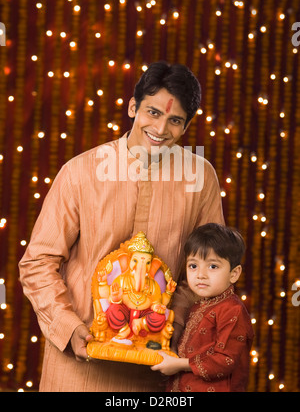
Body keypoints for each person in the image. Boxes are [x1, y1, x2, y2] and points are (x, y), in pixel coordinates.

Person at [19, 61, 224, 392]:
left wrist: (171, 324)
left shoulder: (200, 180)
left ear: (186, 126)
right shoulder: (81, 172)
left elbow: (210, 272)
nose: (160, 128)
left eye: (175, 120)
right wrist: (69, 327)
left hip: (154, 370)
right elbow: (38, 263)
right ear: (133, 107)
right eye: (152, 112)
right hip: (77, 367)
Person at [151, 223, 254, 392]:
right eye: (193, 266)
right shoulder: (197, 305)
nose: (200, 274)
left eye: (213, 266)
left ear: (234, 274)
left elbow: (224, 360)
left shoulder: (233, 311)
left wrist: (177, 365)